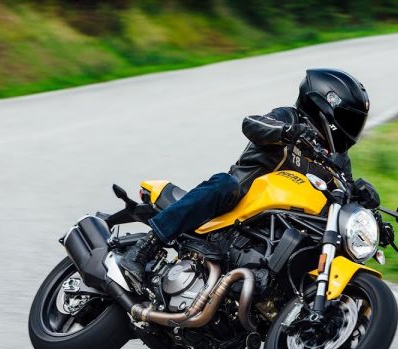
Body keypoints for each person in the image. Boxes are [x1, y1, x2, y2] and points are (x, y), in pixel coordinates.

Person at [121, 68, 377, 283]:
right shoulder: (289, 117)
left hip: (285, 223)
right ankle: (145, 248)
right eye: (348, 119)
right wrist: (287, 132)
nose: (351, 128)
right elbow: (253, 124)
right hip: (242, 199)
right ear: (323, 104)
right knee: (224, 184)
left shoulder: (339, 159)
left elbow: (344, 192)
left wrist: (364, 204)